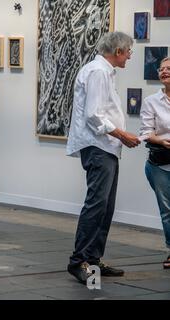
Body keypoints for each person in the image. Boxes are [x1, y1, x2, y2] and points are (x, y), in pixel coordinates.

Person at [66, 32, 141, 284]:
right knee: (97, 204)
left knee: (105, 206)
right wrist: (122, 135)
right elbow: (94, 115)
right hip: (99, 146)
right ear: (118, 50)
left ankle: (94, 259)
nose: (130, 55)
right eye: (129, 51)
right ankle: (79, 261)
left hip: (105, 147)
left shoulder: (104, 71)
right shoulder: (98, 71)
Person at [140, 57, 170, 269]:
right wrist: (159, 139)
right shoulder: (151, 101)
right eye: (162, 69)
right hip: (160, 164)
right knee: (167, 211)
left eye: (169, 68)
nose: (164, 71)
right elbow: (145, 132)